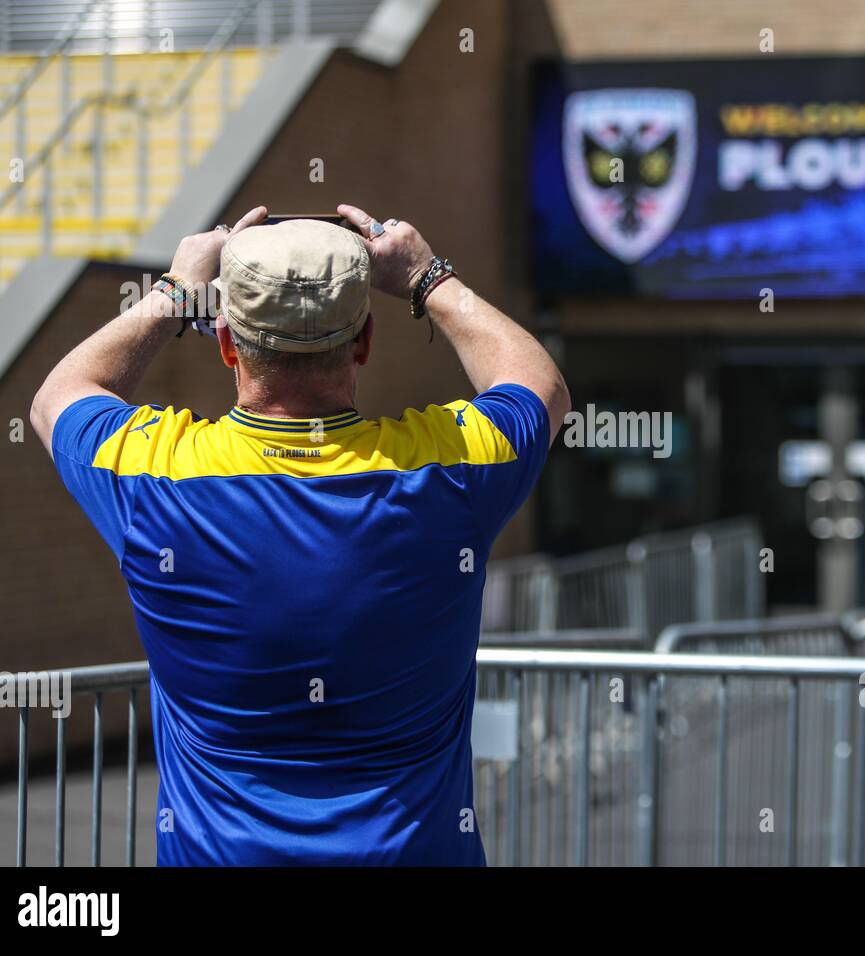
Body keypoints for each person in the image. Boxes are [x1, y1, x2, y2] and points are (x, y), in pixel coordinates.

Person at [29, 205, 571, 865]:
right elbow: (540, 388)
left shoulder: (152, 474)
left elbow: (58, 396)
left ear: (228, 344)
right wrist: (430, 278)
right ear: (365, 341)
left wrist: (175, 293)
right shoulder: (449, 472)